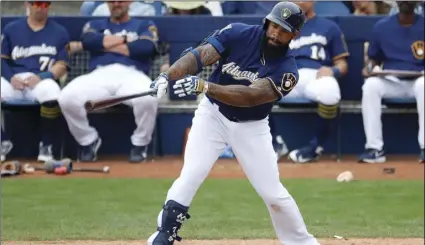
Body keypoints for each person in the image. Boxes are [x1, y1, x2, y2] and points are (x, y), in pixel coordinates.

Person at [147, 2, 320, 245]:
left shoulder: (288, 71)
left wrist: (205, 86)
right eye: (273, 25)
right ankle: (163, 235)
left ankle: (303, 242)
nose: (275, 32)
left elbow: (250, 96)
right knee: (192, 173)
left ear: (294, 35)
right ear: (267, 21)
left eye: (283, 30)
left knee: (273, 194)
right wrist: (167, 75)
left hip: (252, 126)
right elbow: (199, 55)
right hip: (212, 116)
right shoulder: (239, 33)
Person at [58, 0, 159, 163]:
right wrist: (127, 42)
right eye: (112, 1)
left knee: (148, 96)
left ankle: (140, 144)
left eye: (120, 1)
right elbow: (89, 41)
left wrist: (104, 43)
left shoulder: (143, 24)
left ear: (129, 3)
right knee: (66, 97)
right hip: (100, 74)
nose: (116, 4)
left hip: (132, 74)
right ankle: (88, 141)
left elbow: (146, 47)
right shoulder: (95, 23)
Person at [1, 0, 70, 162]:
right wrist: (10, 77)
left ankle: (46, 145)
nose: (41, 8)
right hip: (14, 79)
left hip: (40, 79)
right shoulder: (11, 29)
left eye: (45, 5)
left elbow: (62, 66)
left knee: (52, 92)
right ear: (28, 5)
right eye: (37, 4)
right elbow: (2, 60)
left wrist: (42, 77)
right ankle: (2, 141)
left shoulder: (59, 31)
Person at [284, 1, 349, 163]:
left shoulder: (328, 27)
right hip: (287, 78)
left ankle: (314, 147)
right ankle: (274, 143)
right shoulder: (279, 27)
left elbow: (342, 64)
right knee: (257, 88)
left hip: (316, 75)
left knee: (330, 92)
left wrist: (332, 71)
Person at [360, 1, 424, 164]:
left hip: (419, 80)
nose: (405, 2)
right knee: (370, 86)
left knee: (423, 85)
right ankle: (375, 148)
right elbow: (373, 58)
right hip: (391, 80)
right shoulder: (382, 26)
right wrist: (369, 68)